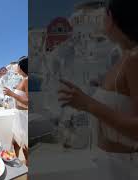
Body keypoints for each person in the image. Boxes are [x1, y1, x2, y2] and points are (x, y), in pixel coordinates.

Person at [58, 0, 138, 179]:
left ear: (112, 18)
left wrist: (87, 103)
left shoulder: (134, 59)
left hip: (123, 167)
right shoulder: (124, 58)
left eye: (104, 15)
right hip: (110, 162)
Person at [3, 56, 28, 165]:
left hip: (24, 119)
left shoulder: (28, 80)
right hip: (19, 117)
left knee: (26, 150)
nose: (16, 67)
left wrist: (11, 94)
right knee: (15, 145)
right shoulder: (23, 80)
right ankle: (15, 167)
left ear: (21, 67)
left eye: (17, 65)